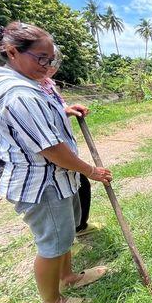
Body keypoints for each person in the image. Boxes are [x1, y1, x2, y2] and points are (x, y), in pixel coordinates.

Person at [0, 22, 112, 303]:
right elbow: (51, 150)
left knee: (64, 235)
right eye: (42, 58)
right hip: (42, 184)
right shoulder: (17, 93)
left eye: (50, 59)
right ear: (13, 52)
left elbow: (36, 121)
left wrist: (64, 110)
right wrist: (91, 171)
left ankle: (68, 278)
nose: (48, 65)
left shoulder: (25, 84)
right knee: (52, 243)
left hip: (54, 179)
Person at [38, 48, 99, 236]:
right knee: (64, 198)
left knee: (80, 186)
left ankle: (79, 226)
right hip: (52, 157)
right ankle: (66, 238)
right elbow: (44, 137)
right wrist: (91, 170)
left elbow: (58, 107)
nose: (52, 68)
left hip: (64, 148)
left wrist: (69, 109)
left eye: (55, 64)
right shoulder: (28, 90)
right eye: (48, 63)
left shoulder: (48, 84)